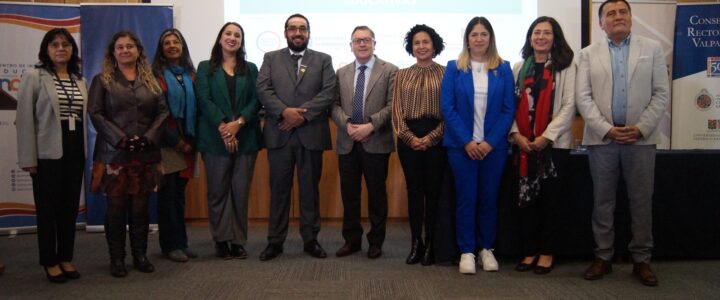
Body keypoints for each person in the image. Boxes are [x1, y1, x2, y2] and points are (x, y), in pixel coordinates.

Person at [576, 0, 669, 286]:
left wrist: (640, 129)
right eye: (610, 14)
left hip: (640, 140)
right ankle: (603, 256)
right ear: (601, 23)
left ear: (630, 17)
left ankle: (641, 259)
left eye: (622, 12)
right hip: (602, 140)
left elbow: (661, 93)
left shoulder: (651, 49)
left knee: (641, 202)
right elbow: (584, 97)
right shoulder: (588, 54)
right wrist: (606, 129)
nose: (618, 17)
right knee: (602, 202)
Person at [88, 31, 169, 278]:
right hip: (114, 155)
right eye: (120, 47)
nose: (125, 50)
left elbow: (163, 112)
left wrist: (148, 137)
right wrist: (120, 139)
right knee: (116, 209)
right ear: (113, 53)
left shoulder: (152, 79)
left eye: (130, 46)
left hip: (145, 154)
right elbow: (95, 112)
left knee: (140, 209)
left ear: (138, 51)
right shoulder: (102, 80)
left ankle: (140, 255)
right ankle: (117, 259)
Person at [256, 13, 336, 261]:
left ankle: (311, 240)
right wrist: (285, 112)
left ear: (309, 33)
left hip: (310, 133)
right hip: (279, 133)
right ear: (285, 32)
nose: (298, 33)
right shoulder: (271, 58)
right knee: (279, 190)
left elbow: (328, 91)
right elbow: (262, 88)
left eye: (302, 28)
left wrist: (302, 115)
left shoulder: (323, 60)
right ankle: (275, 241)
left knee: (310, 190)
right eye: (293, 29)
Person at [441, 17, 516, 274]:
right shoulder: (454, 68)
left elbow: (508, 110)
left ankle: (487, 249)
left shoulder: (503, 69)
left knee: (489, 198)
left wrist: (489, 142)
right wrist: (467, 141)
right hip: (461, 148)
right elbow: (447, 108)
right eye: (474, 34)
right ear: (467, 39)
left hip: (493, 149)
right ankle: (467, 251)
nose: (479, 39)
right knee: (466, 198)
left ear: (490, 38)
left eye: (484, 34)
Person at [16, 28, 87, 283]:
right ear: (46, 49)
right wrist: (28, 159)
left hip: (75, 151)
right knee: (47, 210)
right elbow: (24, 120)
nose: (60, 48)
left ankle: (66, 256)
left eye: (66, 44)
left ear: (72, 50)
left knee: (69, 210)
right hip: (46, 155)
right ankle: (49, 260)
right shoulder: (34, 77)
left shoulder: (80, 80)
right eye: (54, 44)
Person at [509, 16, 576, 275]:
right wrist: (517, 135)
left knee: (551, 201)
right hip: (523, 146)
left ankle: (547, 252)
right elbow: (510, 107)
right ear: (529, 37)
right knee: (527, 202)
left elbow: (570, 105)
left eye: (546, 33)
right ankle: (529, 250)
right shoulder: (518, 68)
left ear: (555, 37)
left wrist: (546, 137)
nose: (540, 37)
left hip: (553, 146)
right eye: (536, 32)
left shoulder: (566, 67)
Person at [196, 22, 262, 260]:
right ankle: (221, 240)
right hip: (215, 139)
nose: (232, 38)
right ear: (220, 38)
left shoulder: (252, 68)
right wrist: (225, 128)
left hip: (246, 138)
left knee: (240, 192)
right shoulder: (205, 68)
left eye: (237, 35)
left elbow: (257, 100)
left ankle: (238, 241)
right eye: (228, 34)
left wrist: (239, 123)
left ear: (242, 41)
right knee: (218, 192)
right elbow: (204, 100)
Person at [331, 26, 398, 259]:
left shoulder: (390, 70)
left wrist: (371, 125)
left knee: (377, 194)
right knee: (350, 195)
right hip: (347, 141)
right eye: (357, 40)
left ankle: (376, 241)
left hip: (376, 140)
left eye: (366, 40)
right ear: (350, 45)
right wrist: (348, 124)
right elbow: (334, 105)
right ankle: (352, 241)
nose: (362, 44)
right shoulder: (341, 73)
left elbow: (392, 105)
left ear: (374, 43)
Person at [391, 24, 447, 266]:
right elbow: (396, 111)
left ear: (434, 45)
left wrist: (432, 138)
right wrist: (410, 137)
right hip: (408, 139)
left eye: (426, 42)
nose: (421, 46)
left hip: (438, 138)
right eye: (416, 43)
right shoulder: (402, 74)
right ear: (411, 47)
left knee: (434, 193)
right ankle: (416, 243)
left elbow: (451, 111)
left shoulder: (447, 73)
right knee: (414, 193)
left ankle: (433, 244)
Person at [151, 28, 199, 263]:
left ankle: (181, 242)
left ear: (182, 46)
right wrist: (176, 141)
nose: (172, 45)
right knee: (167, 195)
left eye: (176, 42)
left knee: (179, 196)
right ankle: (169, 245)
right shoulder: (155, 76)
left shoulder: (190, 74)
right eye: (166, 42)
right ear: (161, 49)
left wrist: (189, 141)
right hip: (167, 142)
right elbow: (156, 114)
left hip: (188, 142)